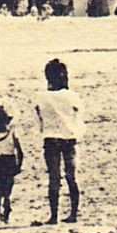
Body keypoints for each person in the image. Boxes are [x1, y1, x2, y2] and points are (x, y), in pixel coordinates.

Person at [35, 58, 84, 223]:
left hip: (50, 138)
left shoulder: (41, 97)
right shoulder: (72, 96)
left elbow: (40, 119)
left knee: (54, 177)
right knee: (72, 176)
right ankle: (73, 214)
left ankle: (54, 215)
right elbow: (79, 116)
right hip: (69, 138)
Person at [0, 101, 25, 224]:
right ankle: (6, 215)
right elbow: (20, 151)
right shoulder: (12, 132)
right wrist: (19, 165)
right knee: (7, 191)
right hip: (8, 161)